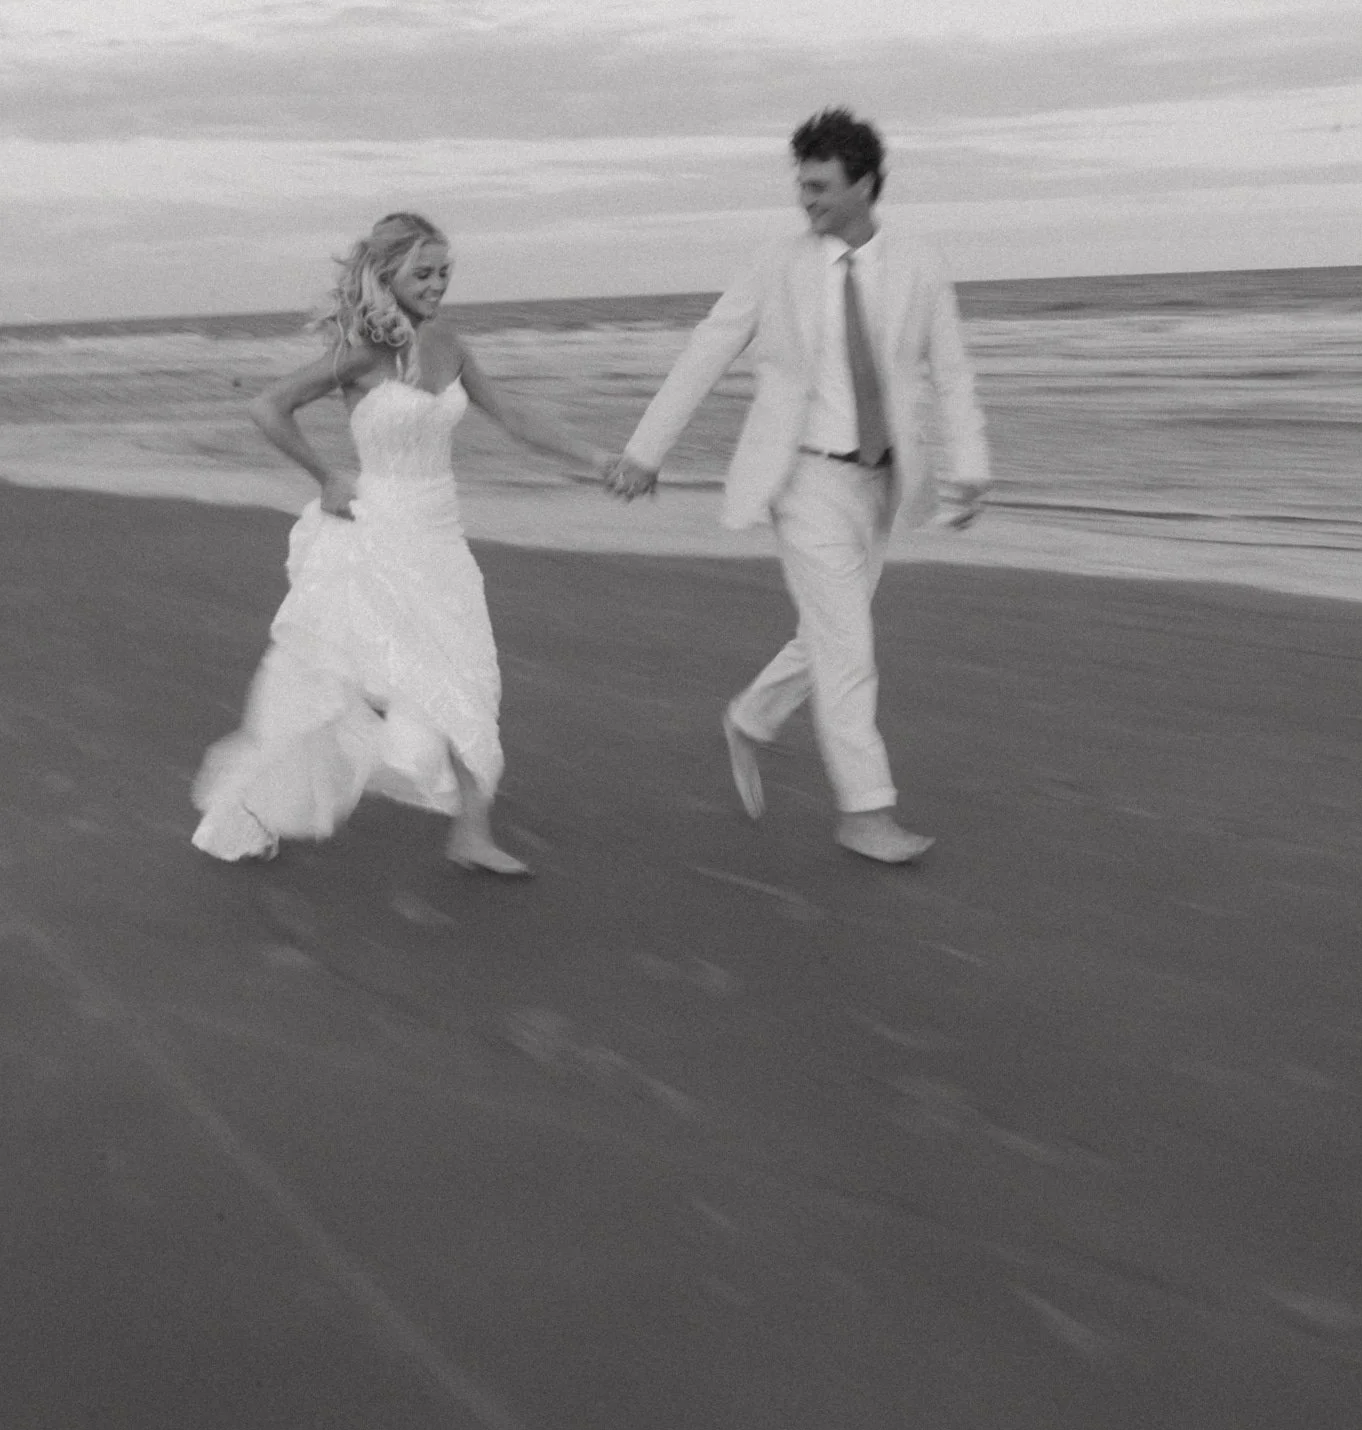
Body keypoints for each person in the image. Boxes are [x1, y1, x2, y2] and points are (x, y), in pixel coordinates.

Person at [609, 110, 990, 865]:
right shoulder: (774, 264)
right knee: (848, 646)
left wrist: (970, 463)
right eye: (801, 185)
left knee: (827, 632)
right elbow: (707, 350)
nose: (805, 200)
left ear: (864, 183)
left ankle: (752, 715)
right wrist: (645, 451)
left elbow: (950, 371)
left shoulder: (917, 262)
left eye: (819, 186)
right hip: (803, 475)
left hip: (880, 482)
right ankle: (865, 811)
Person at [191, 211, 614, 876]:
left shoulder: (448, 343)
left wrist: (597, 460)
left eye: (445, 272)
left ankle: (470, 834)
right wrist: (325, 473)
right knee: (335, 688)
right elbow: (268, 406)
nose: (438, 284)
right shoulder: (362, 353)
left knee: (471, 673)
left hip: (440, 535)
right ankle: (252, 803)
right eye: (423, 272)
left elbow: (514, 416)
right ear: (386, 275)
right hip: (376, 532)